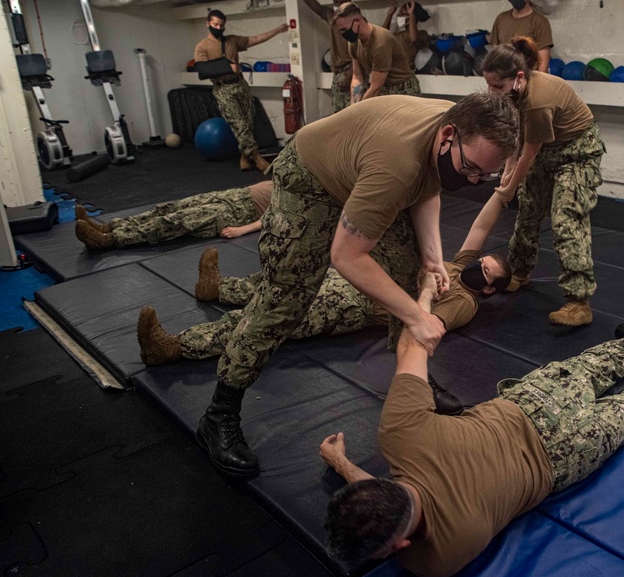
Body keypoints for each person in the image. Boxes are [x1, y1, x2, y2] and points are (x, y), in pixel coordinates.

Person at [321, 272, 624, 577]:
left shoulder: (436, 560)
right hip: (526, 409)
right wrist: (425, 295)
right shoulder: (400, 432)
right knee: (577, 373)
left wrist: (343, 465)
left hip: (564, 457)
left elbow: (392, 519)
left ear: (396, 548)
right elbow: (413, 341)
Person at [195, 93, 520, 479]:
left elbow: (429, 187)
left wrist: (433, 258)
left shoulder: (454, 134)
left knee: (410, 272)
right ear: (448, 134)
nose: (472, 181)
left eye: (484, 175)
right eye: (470, 169)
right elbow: (346, 256)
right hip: (310, 179)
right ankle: (219, 413)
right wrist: (417, 316)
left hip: (365, 166)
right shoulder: (397, 163)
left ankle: (415, 383)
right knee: (285, 301)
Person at [136, 192, 512, 378]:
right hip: (367, 276)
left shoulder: (465, 300)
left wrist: (428, 290)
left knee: (268, 318)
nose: (478, 266)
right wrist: (502, 190)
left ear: (489, 289)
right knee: (280, 283)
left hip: (358, 303)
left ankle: (175, 347)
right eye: (482, 261)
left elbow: (427, 327)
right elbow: (479, 227)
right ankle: (218, 288)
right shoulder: (462, 265)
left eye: (486, 272)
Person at [481, 37, 605, 326]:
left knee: (565, 219)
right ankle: (519, 272)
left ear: (519, 77)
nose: (492, 92)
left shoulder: (538, 100)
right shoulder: (513, 94)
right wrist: (507, 174)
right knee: (528, 212)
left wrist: (510, 186)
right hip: (545, 149)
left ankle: (578, 302)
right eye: (489, 85)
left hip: (577, 152)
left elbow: (529, 151)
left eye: (497, 86)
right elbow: (518, 139)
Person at [194, 10, 288, 172]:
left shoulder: (232, 40)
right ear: (208, 23)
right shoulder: (202, 47)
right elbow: (203, 71)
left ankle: (244, 156)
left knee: (248, 119)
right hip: (223, 89)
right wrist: (227, 67)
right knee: (239, 123)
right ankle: (257, 158)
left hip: (240, 85)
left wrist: (278, 30)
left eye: (221, 25)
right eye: (215, 24)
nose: (218, 28)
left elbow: (256, 39)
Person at [73, 181, 272, 250]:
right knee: (169, 208)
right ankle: (110, 226)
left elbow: (282, 218)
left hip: (242, 213)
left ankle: (109, 240)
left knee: (176, 221)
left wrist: (243, 230)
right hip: (238, 194)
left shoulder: (304, 198)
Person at [334, 2, 422, 103]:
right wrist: (354, 104)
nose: (343, 34)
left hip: (403, 90)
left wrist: (359, 110)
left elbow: (376, 87)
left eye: (344, 29)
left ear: (357, 21)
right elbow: (357, 76)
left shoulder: (380, 42)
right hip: (383, 88)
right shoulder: (354, 42)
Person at [295, 0, 353, 113]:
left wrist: (351, 74)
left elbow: (362, 51)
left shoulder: (356, 21)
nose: (337, 5)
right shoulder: (331, 16)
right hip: (338, 71)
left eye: (341, 2)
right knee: (339, 113)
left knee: (353, 114)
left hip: (351, 70)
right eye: (335, 1)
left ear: (349, 2)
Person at [489, 0, 553, 72]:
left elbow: (543, 63)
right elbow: (495, 56)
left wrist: (536, 86)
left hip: (529, 81)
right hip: (505, 82)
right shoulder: (500, 19)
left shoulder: (540, 22)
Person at [381, 0, 433, 71]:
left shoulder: (421, 34)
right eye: (399, 14)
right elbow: (382, 36)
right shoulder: (398, 35)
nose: (399, 16)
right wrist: (389, 15)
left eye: (402, 14)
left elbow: (413, 38)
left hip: (408, 74)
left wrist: (411, 14)